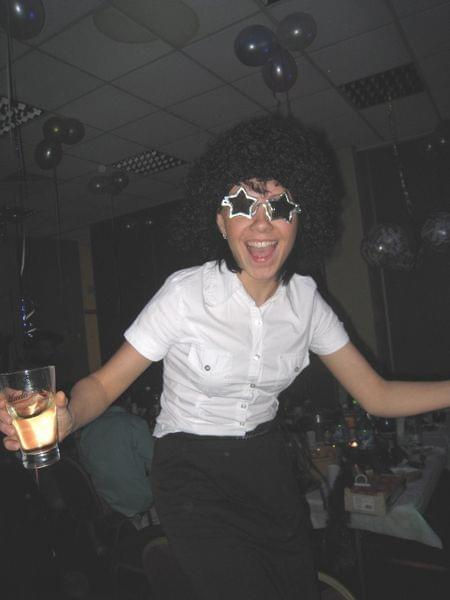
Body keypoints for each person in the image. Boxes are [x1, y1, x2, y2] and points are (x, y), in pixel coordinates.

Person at [2, 113, 450, 600]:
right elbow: (105, 384)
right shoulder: (184, 294)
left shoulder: (307, 302)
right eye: (242, 206)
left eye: (280, 206)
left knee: (297, 588)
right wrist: (68, 417)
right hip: (190, 469)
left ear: (301, 218)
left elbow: (377, 395)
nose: (261, 223)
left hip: (266, 463)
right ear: (220, 221)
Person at [77, 396, 155, 529]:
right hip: (140, 500)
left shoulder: (86, 431)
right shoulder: (134, 423)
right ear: (128, 401)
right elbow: (156, 464)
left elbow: (88, 468)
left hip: (107, 502)